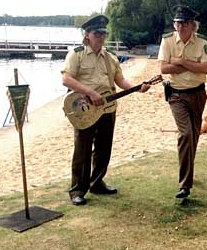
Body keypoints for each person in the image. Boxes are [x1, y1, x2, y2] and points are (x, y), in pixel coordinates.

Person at [61, 14, 150, 206]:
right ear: (87, 35)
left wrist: (136, 87)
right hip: (84, 109)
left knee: (103, 148)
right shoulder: (76, 54)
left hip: (108, 108)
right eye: (97, 33)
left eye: (103, 33)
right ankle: (77, 189)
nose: (101, 37)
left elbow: (119, 80)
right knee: (82, 150)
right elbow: (67, 79)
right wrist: (90, 93)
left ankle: (97, 182)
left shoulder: (110, 57)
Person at [158, 5, 207, 199]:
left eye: (184, 24)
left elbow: (205, 69)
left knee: (194, 135)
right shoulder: (168, 41)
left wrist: (180, 62)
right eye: (177, 23)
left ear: (192, 26)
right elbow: (163, 69)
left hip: (198, 94)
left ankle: (189, 172)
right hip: (176, 95)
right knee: (185, 133)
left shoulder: (202, 41)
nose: (180, 27)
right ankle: (185, 185)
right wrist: (192, 66)